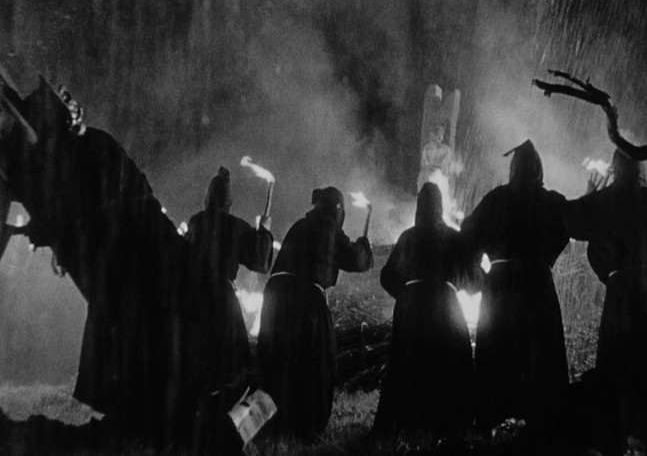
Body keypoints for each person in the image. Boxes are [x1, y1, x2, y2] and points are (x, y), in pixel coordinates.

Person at [564, 149, 647, 445]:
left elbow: (572, 221)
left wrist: (589, 195)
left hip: (625, 292)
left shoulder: (611, 197)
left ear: (616, 168)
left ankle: (619, 431)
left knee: (620, 359)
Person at [461, 140, 569, 431]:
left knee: (499, 348)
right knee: (538, 350)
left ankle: (493, 414)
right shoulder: (550, 201)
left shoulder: (496, 199)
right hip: (536, 284)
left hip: (501, 286)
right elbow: (567, 228)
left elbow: (467, 233)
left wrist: (479, 271)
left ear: (514, 168)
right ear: (538, 168)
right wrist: (545, 258)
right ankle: (544, 417)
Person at [257, 187, 372, 440]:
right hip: (305, 300)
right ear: (337, 210)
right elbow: (356, 260)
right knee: (317, 359)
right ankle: (305, 423)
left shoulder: (300, 225)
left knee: (280, 356)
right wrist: (363, 245)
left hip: (276, 298)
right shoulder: (330, 230)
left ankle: (274, 418)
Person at [173, 166, 274, 448]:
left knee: (199, 365)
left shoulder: (196, 222)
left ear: (208, 198)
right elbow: (259, 260)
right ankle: (226, 427)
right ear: (229, 202)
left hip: (194, 301)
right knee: (232, 366)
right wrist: (264, 231)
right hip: (221, 302)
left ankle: (194, 425)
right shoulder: (234, 226)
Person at [373, 182, 479, 437]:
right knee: (448, 359)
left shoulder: (407, 237)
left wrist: (406, 294)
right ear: (440, 206)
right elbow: (474, 280)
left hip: (411, 307)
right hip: (444, 305)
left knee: (407, 359)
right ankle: (447, 420)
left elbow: (387, 276)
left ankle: (405, 419)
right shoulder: (453, 236)